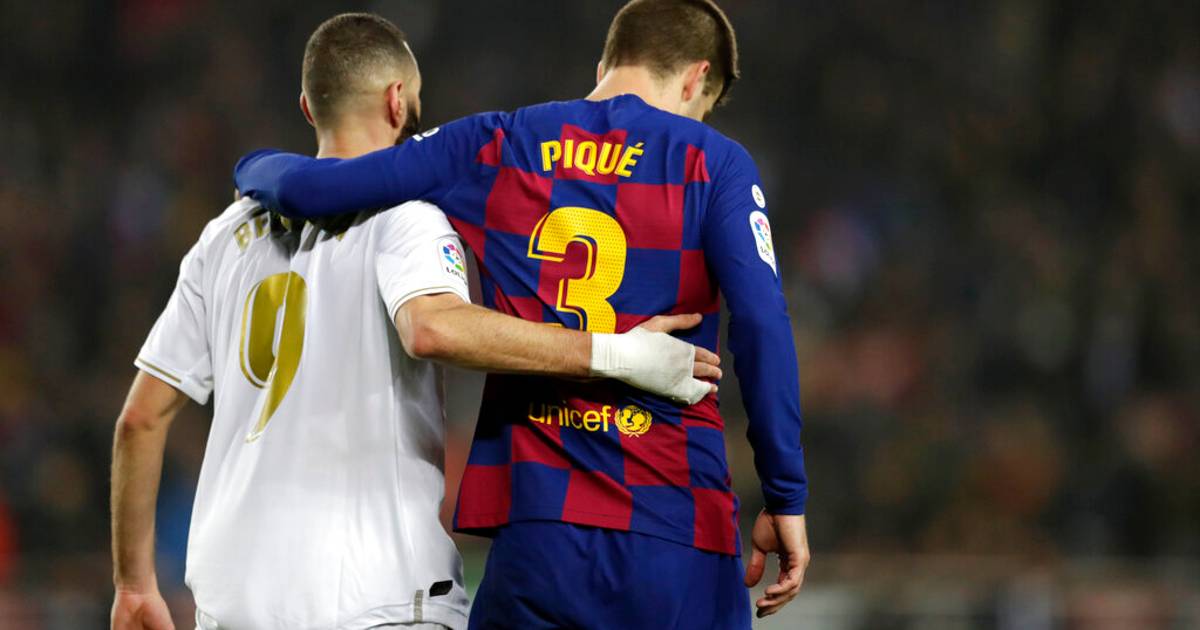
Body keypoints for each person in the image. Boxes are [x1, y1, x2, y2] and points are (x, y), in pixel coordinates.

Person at [110, 13, 720, 630]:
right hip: (377, 598)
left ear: (308, 107)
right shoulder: (408, 216)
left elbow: (139, 419)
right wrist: (617, 354)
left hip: (233, 603)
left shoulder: (224, 236)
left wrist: (133, 584)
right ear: (398, 101)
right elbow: (433, 327)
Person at [234, 0, 809, 627]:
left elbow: (312, 189)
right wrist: (785, 494)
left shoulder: (496, 143)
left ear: (604, 66)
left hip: (538, 533)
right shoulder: (715, 162)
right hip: (673, 523)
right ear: (697, 79)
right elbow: (761, 323)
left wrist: (249, 166)